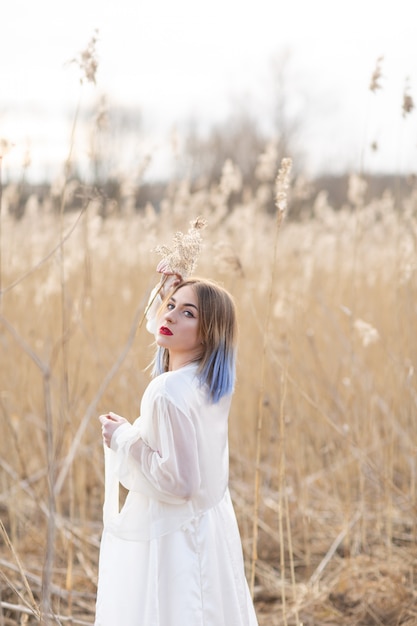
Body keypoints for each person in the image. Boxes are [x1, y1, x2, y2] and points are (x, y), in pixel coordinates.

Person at [95, 264, 258, 626]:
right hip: (210, 526)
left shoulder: (167, 391)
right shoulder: (210, 382)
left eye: (189, 313)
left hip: (176, 536)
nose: (169, 316)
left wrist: (123, 439)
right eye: (170, 306)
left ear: (207, 332)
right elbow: (163, 328)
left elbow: (182, 483)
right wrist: (164, 293)